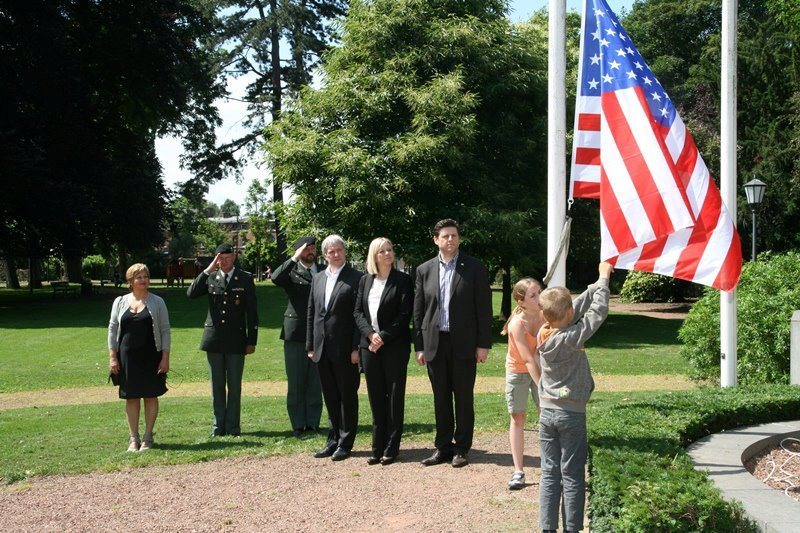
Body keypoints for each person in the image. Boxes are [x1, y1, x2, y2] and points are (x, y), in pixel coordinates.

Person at [537, 262, 613, 533]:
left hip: (547, 413)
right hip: (571, 414)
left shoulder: (544, 332)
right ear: (567, 313)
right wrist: (604, 280)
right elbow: (597, 314)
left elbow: (576, 309)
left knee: (550, 473)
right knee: (572, 475)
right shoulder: (570, 338)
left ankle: (547, 528)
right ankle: (572, 528)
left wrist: (597, 283)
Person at [413, 218, 493, 468]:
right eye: (445, 236)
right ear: (436, 240)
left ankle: (461, 448)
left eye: (454, 236)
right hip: (435, 344)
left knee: (463, 397)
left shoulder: (475, 267)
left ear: (459, 239)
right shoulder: (424, 270)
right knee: (440, 398)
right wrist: (419, 346)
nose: (450, 240)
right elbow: (419, 311)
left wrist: (483, 344)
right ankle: (443, 447)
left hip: (465, 344)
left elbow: (484, 308)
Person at [187, 243, 258, 437]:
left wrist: (252, 340)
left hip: (236, 340)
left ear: (234, 256)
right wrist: (208, 269)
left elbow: (252, 312)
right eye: (219, 257)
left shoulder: (244, 278)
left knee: (234, 387)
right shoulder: (211, 278)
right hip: (214, 340)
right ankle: (218, 427)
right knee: (217, 386)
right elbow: (191, 293)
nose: (223, 260)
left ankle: (233, 427)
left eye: (226, 256)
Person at [354, 237, 413, 466]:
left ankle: (392, 447)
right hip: (369, 347)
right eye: (383, 251)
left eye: (390, 249)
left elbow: (404, 315)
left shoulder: (403, 280)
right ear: (374, 256)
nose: (388, 254)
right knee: (376, 396)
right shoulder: (365, 281)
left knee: (394, 397)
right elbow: (357, 312)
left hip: (395, 347)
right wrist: (370, 334)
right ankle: (376, 447)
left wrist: (383, 337)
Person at [306, 235, 363, 461]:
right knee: (330, 396)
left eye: (339, 250)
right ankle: (332, 439)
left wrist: (356, 347)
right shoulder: (317, 278)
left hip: (346, 349)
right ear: (324, 255)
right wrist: (311, 345)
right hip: (321, 348)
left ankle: (346, 442)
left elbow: (360, 315)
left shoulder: (356, 278)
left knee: (347, 396)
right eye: (331, 251)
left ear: (345, 252)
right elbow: (312, 312)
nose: (336, 254)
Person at [107, 263, 170, 452]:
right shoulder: (119, 302)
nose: (143, 280)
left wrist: (165, 358)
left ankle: (148, 437)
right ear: (130, 281)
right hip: (127, 357)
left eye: (146, 276)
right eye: (139, 277)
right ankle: (133, 439)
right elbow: (112, 329)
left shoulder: (158, 302)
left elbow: (165, 331)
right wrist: (113, 357)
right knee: (131, 397)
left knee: (151, 395)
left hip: (152, 356)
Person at [271, 237, 322, 437]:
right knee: (296, 381)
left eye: (312, 248)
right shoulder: (291, 271)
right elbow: (275, 278)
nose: (310, 251)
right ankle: (298, 424)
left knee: (315, 381)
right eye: (305, 248)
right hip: (295, 332)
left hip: (319, 333)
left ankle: (313, 423)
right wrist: (294, 257)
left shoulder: (323, 270)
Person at [500, 277, 545, 490]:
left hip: (540, 368)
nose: (539, 297)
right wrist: (543, 386)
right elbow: (527, 359)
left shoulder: (546, 315)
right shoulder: (517, 324)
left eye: (540, 292)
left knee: (546, 415)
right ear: (521, 302)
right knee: (518, 417)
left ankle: (551, 466)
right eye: (533, 295)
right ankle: (518, 471)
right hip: (518, 370)